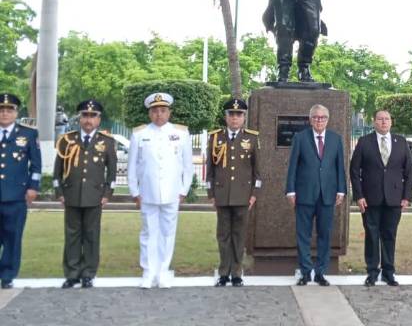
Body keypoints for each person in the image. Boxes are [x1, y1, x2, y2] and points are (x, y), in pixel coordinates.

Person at [128, 92, 193, 289]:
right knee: (148, 233)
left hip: (172, 192)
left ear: (169, 112)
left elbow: (187, 166)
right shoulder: (139, 134)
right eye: (155, 111)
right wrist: (134, 192)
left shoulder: (181, 133)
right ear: (150, 113)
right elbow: (132, 166)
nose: (159, 114)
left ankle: (163, 271)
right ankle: (148, 272)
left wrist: (183, 190)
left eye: (163, 110)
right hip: (147, 193)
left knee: (167, 233)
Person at [53, 99, 117, 289]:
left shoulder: (106, 142)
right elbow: (58, 170)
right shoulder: (67, 140)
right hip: (71, 195)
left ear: (99, 119)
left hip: (94, 196)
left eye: (93, 116)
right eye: (85, 115)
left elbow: (112, 172)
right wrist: (59, 191)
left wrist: (107, 193)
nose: (88, 120)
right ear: (80, 118)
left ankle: (88, 273)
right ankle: (72, 273)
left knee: (91, 235)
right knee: (72, 235)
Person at [350, 109, 412, 287]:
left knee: (389, 235)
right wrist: (359, 195)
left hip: (394, 198)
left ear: (391, 122)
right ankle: (372, 272)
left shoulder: (401, 142)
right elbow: (354, 171)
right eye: (380, 119)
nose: (384, 122)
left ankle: (388, 272)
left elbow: (409, 171)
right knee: (371, 235)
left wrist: (406, 196)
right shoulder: (364, 142)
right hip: (370, 198)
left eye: (387, 119)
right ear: (374, 122)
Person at [285, 104, 346, 286]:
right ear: (310, 119)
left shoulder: (336, 139)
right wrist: (290, 190)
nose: (319, 120)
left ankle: (320, 272)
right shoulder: (300, 138)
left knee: (325, 235)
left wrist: (341, 189)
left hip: (327, 194)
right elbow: (293, 166)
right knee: (303, 234)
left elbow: (339, 167)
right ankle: (305, 271)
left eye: (322, 117)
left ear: (328, 119)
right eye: (316, 117)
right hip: (304, 194)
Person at [206, 98, 262, 287]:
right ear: (226, 117)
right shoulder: (215, 138)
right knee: (223, 235)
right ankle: (223, 272)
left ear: (244, 117)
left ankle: (237, 272)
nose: (235, 118)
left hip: (243, 195)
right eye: (231, 114)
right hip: (222, 194)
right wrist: (211, 194)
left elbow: (258, 171)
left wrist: (254, 193)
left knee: (239, 235)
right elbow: (210, 169)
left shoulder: (252, 138)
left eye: (239, 115)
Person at [0, 93, 41, 289]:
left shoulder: (29, 134)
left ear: (16, 113)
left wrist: (33, 188)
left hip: (16, 196)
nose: (5, 113)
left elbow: (36, 165)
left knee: (13, 238)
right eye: (2, 109)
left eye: (10, 110)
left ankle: (7, 275)